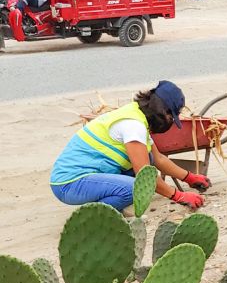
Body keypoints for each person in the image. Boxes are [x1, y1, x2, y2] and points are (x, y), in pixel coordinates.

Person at [50, 81, 210, 211]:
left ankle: (109, 210)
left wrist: (189, 178)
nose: (170, 122)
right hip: (69, 183)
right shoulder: (133, 126)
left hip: (85, 177)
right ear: (163, 112)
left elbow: (158, 159)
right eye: (170, 117)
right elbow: (144, 175)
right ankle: (91, 219)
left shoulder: (137, 116)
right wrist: (178, 196)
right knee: (133, 189)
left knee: (148, 158)